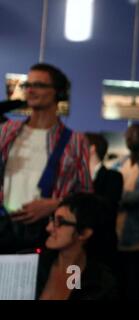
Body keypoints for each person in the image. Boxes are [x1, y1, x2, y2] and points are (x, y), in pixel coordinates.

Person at [0, 63, 92, 253]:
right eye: (28, 85)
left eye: (39, 85)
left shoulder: (75, 141)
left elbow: (86, 195)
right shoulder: (7, 131)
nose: (31, 90)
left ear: (58, 93)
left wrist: (54, 204)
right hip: (4, 227)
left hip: (46, 233)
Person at [36, 192, 118, 300]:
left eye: (60, 222)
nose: (49, 228)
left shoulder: (98, 283)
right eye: (52, 219)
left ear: (84, 233)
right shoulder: (37, 264)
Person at [113, 123, 139, 300]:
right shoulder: (119, 164)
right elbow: (109, 191)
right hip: (115, 237)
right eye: (128, 134)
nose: (129, 138)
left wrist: (119, 198)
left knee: (135, 288)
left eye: (134, 134)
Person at [85, 132, 123, 269]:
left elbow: (107, 207)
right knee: (74, 286)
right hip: (77, 248)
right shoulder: (75, 178)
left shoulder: (113, 177)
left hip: (102, 246)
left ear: (92, 149)